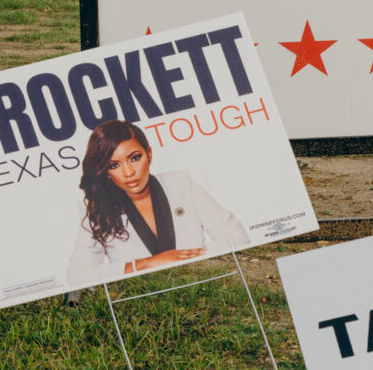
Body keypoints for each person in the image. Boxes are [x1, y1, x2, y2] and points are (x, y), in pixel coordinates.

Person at [66, 119, 248, 287]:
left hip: (200, 286)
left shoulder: (181, 184)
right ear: (105, 171)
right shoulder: (98, 208)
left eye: (135, 158)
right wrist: (146, 264)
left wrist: (188, 260)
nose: (129, 172)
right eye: (114, 165)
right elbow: (77, 275)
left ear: (149, 154)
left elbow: (237, 235)